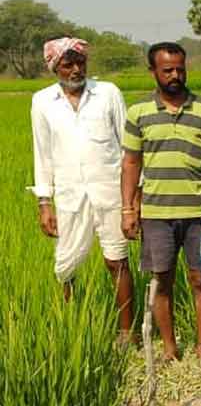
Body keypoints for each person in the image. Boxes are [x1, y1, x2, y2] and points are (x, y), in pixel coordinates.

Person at [121, 42, 201, 365]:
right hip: (156, 213)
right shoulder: (139, 113)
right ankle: (169, 349)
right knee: (160, 280)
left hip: (200, 213)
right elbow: (132, 163)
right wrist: (128, 209)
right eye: (168, 70)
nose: (175, 75)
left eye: (180, 68)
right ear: (153, 72)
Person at [30, 37, 134, 340]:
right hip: (69, 196)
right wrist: (44, 202)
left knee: (117, 260)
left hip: (110, 192)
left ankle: (127, 333)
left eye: (81, 63)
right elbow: (42, 152)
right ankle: (70, 330)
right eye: (68, 64)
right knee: (66, 264)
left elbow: (128, 147)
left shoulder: (108, 93)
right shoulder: (42, 101)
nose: (76, 69)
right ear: (55, 67)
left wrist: (133, 198)